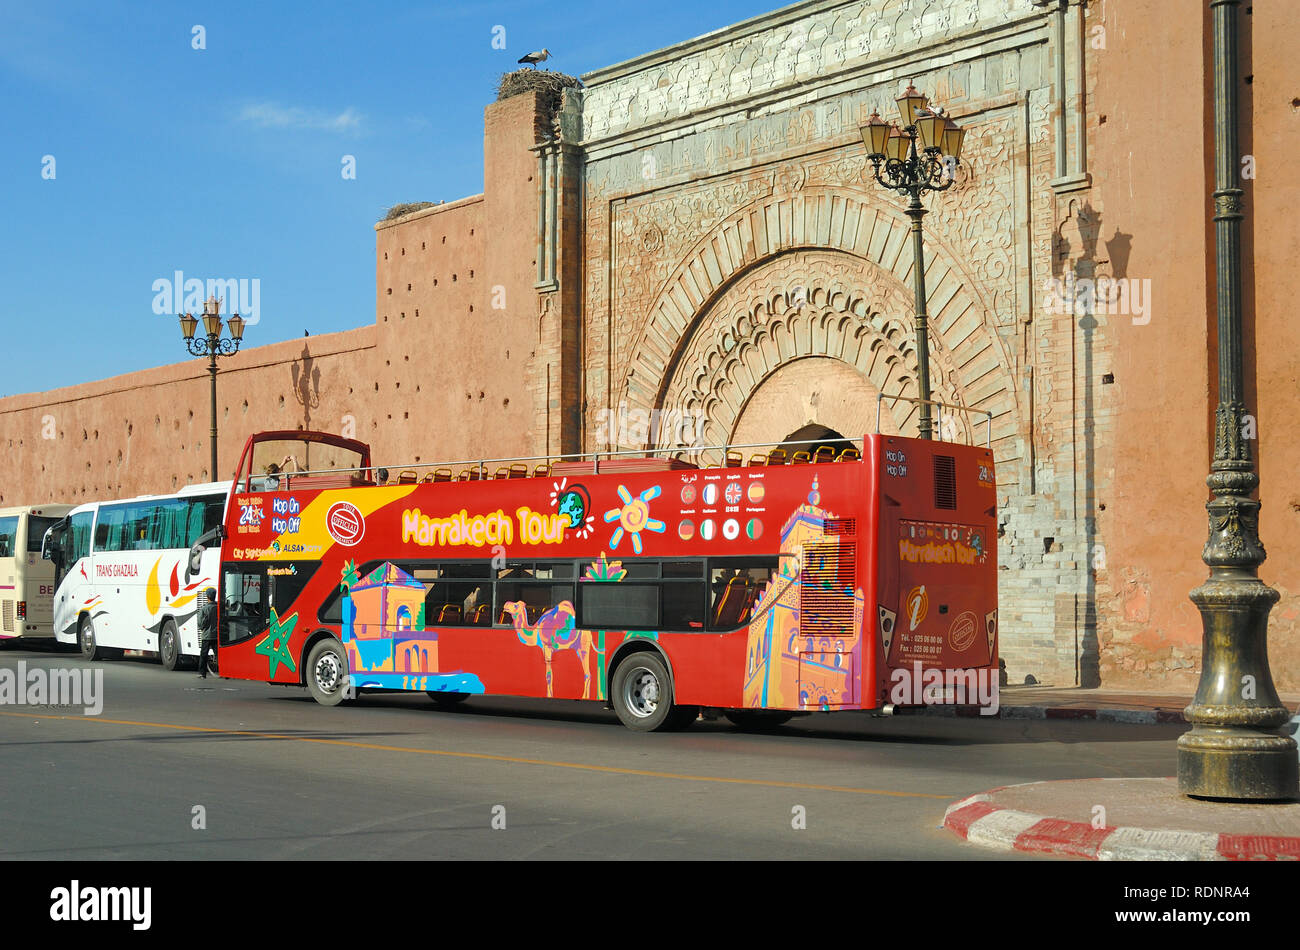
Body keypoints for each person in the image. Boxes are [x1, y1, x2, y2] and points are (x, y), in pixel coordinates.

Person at [197, 587, 218, 679]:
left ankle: (202, 673)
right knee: (218, 654)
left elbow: (200, 624)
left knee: (204, 655)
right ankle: (224, 671)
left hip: (206, 636)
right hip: (217, 636)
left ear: (207, 596)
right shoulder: (219, 608)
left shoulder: (204, 609)